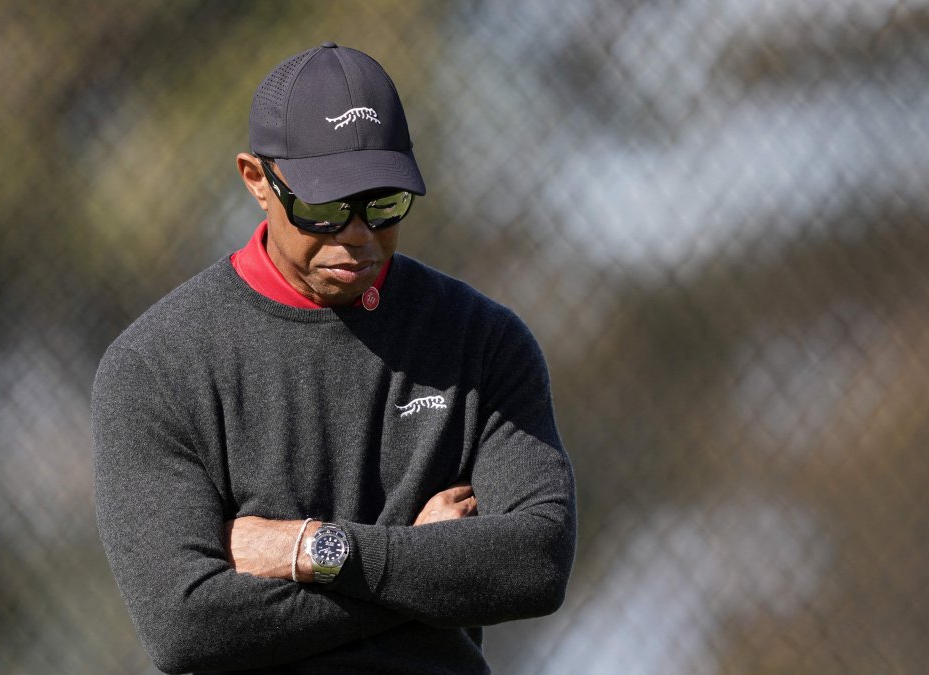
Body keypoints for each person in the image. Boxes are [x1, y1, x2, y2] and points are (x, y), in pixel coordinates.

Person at [93, 42, 576, 675]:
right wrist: (422, 567)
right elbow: (187, 624)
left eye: (383, 204)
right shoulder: (159, 365)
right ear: (256, 179)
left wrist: (318, 551)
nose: (357, 233)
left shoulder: (481, 341)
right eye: (324, 206)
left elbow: (535, 563)